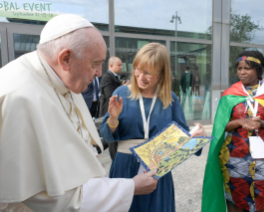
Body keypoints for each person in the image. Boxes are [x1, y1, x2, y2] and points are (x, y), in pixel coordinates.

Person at [0, 14, 158, 212]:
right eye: (95, 64)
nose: (100, 73)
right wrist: (129, 187)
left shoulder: (61, 76)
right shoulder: (18, 97)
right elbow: (48, 198)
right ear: (66, 58)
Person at [100, 42, 207, 212]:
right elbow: (107, 136)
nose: (141, 77)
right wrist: (113, 119)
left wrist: (196, 137)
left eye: (148, 73)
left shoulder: (169, 98)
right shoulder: (121, 93)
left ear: (161, 74)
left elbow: (182, 137)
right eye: (138, 69)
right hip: (125, 166)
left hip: (157, 168)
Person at [202, 51, 264, 212]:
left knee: (261, 201)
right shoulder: (230, 94)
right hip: (234, 158)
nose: (242, 72)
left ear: (258, 69)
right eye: (239, 68)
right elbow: (221, 126)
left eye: (247, 68)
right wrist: (241, 121)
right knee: (235, 201)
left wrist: (261, 123)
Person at [99, 56, 128, 160]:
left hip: (114, 111)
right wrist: (122, 88)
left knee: (112, 138)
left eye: (121, 65)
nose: (121, 67)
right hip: (110, 111)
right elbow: (111, 95)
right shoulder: (107, 77)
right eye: (119, 65)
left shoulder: (114, 76)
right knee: (111, 139)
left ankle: (97, 148)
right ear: (111, 65)